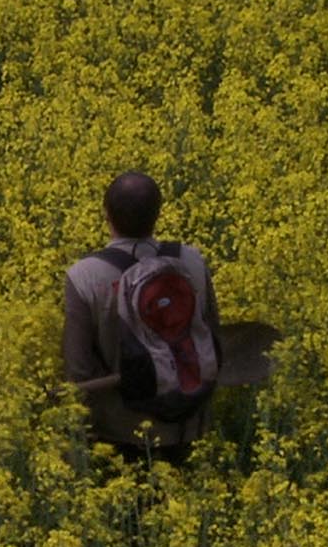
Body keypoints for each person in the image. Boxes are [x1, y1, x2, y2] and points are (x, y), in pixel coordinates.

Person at [63, 171, 221, 465]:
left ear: (106, 214)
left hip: (120, 436)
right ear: (158, 213)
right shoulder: (192, 261)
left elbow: (78, 370)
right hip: (189, 428)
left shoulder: (84, 276)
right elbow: (212, 333)